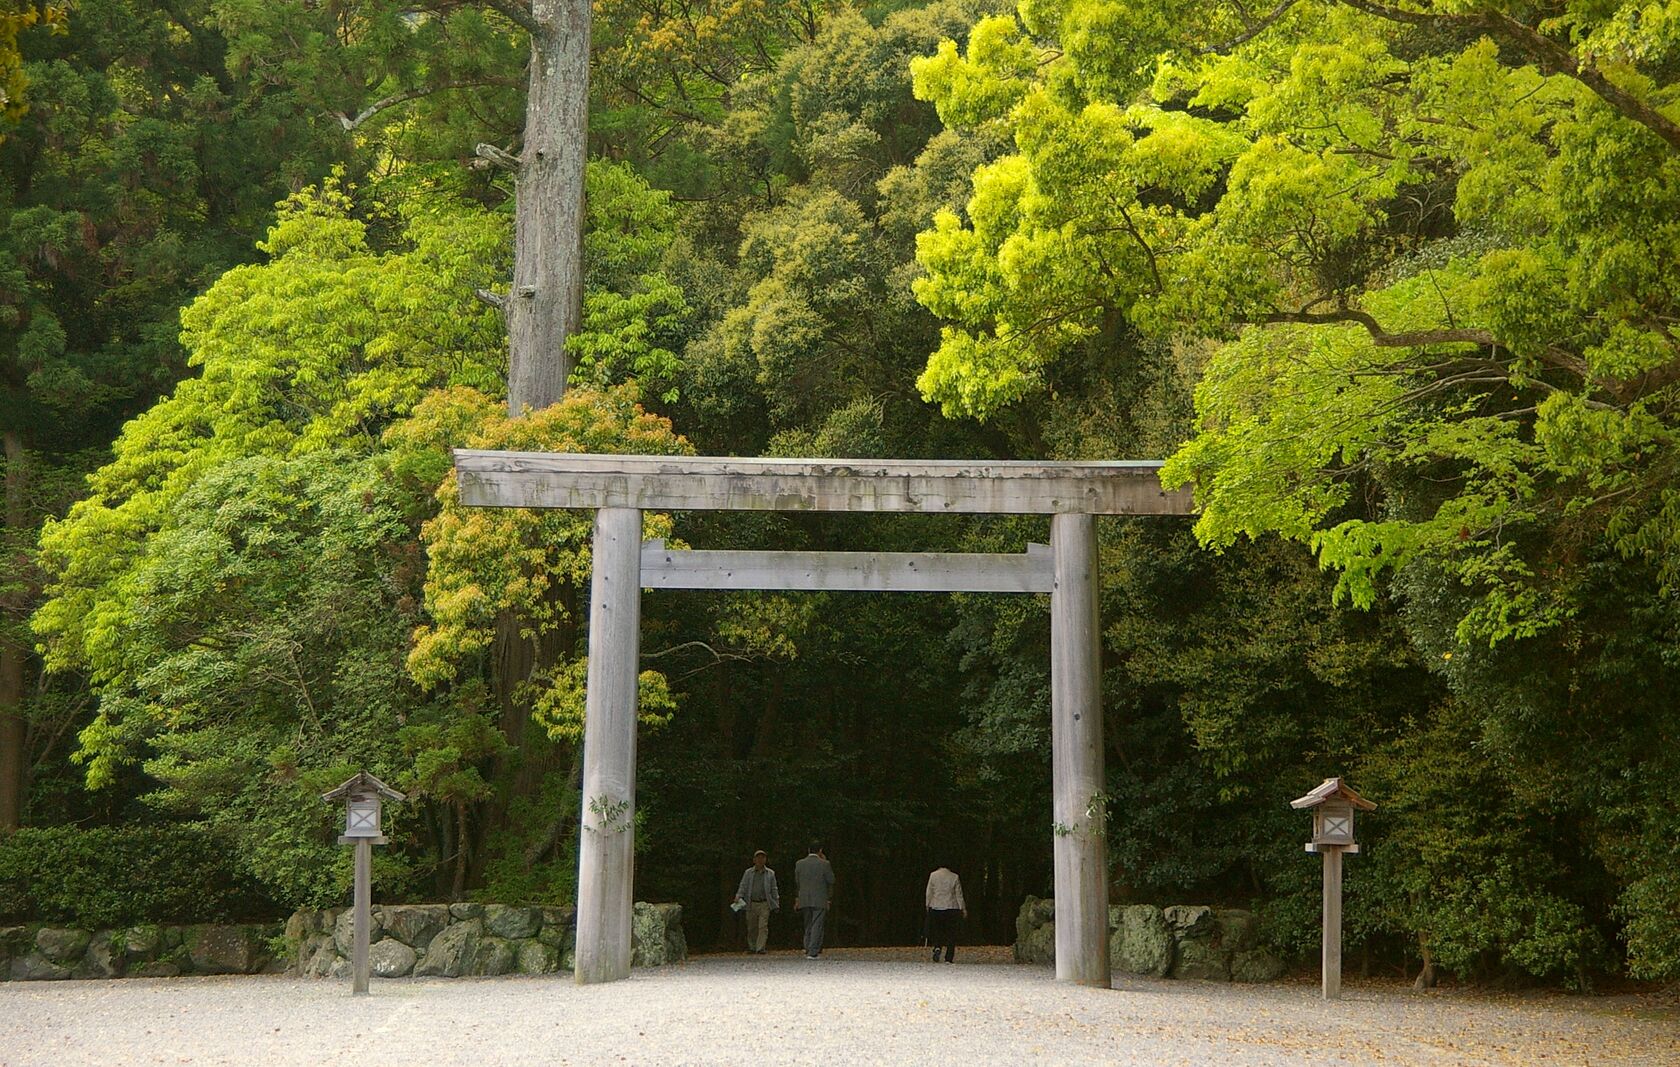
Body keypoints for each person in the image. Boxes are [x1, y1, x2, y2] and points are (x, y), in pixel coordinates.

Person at [794, 842, 836, 958]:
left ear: (808, 850)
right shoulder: (824, 864)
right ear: (820, 851)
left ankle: (807, 947)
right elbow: (831, 880)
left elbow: (797, 882)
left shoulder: (799, 864)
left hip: (804, 898)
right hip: (819, 898)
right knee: (817, 924)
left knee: (807, 924)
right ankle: (813, 951)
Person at [734, 850, 779, 953]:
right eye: (758, 858)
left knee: (763, 926)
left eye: (762, 858)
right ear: (754, 860)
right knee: (751, 927)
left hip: (764, 903)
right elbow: (743, 886)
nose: (760, 860)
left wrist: (776, 902)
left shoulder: (770, 874)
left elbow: (774, 889)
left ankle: (760, 948)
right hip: (751, 903)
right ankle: (752, 946)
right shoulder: (748, 873)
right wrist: (738, 896)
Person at [924, 863, 966, 963]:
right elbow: (958, 894)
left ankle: (937, 946)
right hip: (951, 907)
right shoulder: (954, 877)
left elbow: (929, 891)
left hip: (936, 906)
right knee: (951, 932)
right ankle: (949, 957)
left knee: (937, 930)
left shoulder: (933, 875)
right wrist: (963, 908)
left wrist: (928, 904)